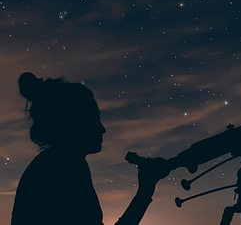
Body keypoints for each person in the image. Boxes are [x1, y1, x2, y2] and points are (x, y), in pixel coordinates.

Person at [12, 72, 168, 225]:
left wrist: (144, 192)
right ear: (74, 122)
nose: (102, 129)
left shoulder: (53, 163)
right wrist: (144, 194)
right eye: (94, 118)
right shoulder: (67, 166)